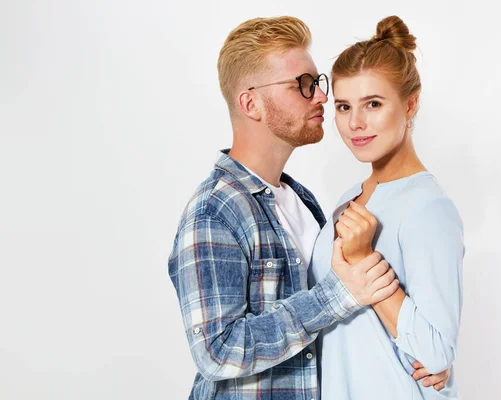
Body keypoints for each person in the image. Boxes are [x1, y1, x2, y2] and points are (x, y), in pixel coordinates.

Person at [168, 16, 450, 399]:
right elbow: (218, 352)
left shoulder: (304, 201)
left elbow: (329, 332)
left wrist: (425, 355)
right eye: (302, 84)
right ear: (251, 103)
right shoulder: (215, 211)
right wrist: (337, 296)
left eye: (318, 83)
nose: (321, 96)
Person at [310, 16, 465, 399]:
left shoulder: (428, 208)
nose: (355, 123)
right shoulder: (350, 198)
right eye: (344, 107)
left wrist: (363, 259)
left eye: (373, 104)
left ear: (410, 104)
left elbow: (434, 353)